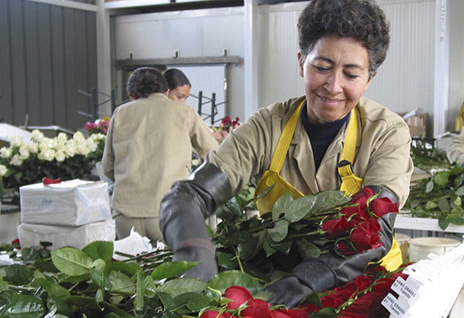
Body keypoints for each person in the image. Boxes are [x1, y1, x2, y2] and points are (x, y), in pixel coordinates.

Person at [159, 0, 413, 307]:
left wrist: (305, 281)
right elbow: (188, 196)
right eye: (322, 67)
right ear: (301, 62)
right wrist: (195, 253)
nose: (333, 86)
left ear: (369, 78)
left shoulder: (386, 132)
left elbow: (375, 231)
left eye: (351, 74)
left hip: (364, 291)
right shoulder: (268, 126)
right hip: (279, 284)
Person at [102, 67, 219, 242]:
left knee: (130, 268)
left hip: (126, 214)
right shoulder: (184, 112)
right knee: (173, 268)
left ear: (132, 93)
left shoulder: (121, 113)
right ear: (166, 90)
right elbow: (214, 155)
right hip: (168, 212)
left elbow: (108, 167)